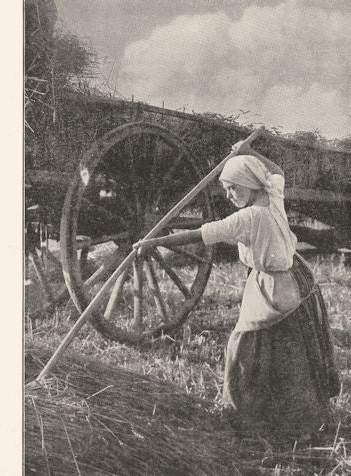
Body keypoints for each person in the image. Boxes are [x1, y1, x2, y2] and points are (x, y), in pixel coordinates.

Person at [132, 142, 339, 443]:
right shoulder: (273, 194)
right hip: (296, 276)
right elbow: (277, 171)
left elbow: (203, 233)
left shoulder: (248, 218)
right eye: (226, 189)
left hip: (276, 289)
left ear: (251, 184)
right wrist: (250, 151)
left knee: (246, 347)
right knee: (291, 349)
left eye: (234, 188)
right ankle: (298, 419)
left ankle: (250, 416)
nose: (229, 196)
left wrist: (154, 242)